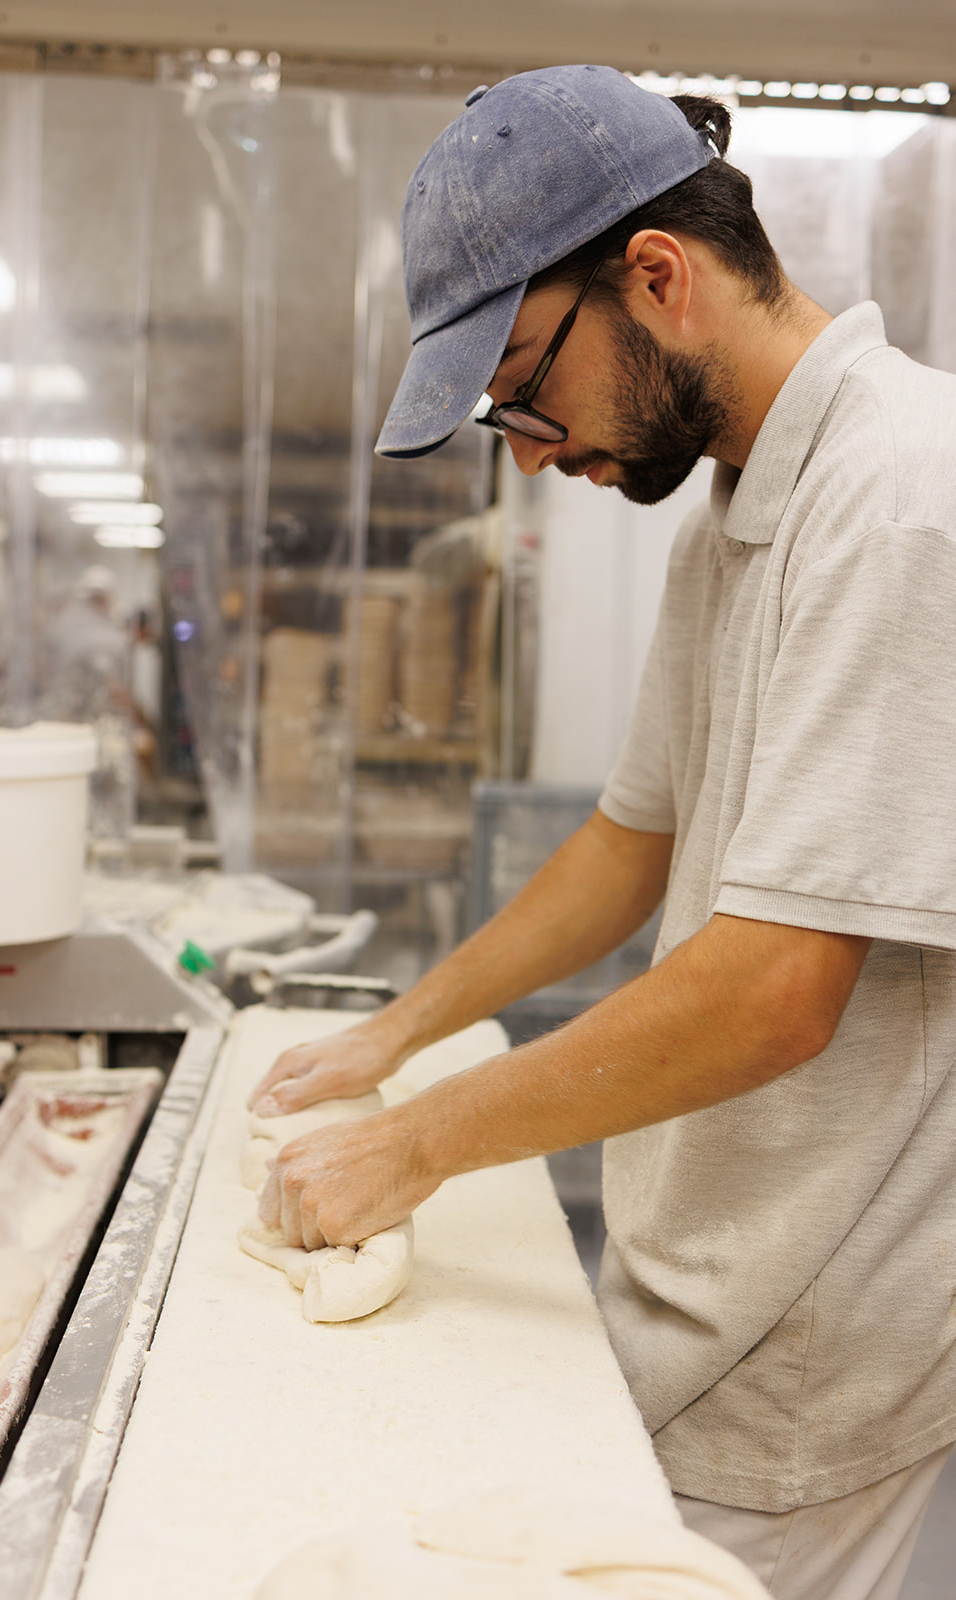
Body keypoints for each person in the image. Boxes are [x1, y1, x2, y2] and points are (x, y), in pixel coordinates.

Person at [249, 66, 956, 1600]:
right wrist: (398, 1036)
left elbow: (779, 989)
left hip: (805, 1360)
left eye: (519, 389)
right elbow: (626, 843)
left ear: (655, 276)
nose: (523, 451)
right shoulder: (743, 501)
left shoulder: (902, 499)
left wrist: (416, 1147)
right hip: (701, 1288)